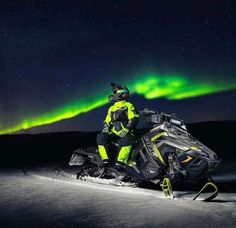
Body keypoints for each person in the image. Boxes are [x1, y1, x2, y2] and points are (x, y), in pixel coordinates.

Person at [96, 83, 139, 172]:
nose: (114, 94)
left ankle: (120, 163)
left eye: (116, 92)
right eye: (114, 92)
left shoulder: (128, 105)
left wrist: (128, 129)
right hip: (113, 132)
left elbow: (134, 118)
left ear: (122, 93)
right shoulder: (111, 108)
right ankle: (106, 160)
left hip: (125, 132)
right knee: (101, 137)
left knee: (127, 139)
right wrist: (106, 128)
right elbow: (107, 120)